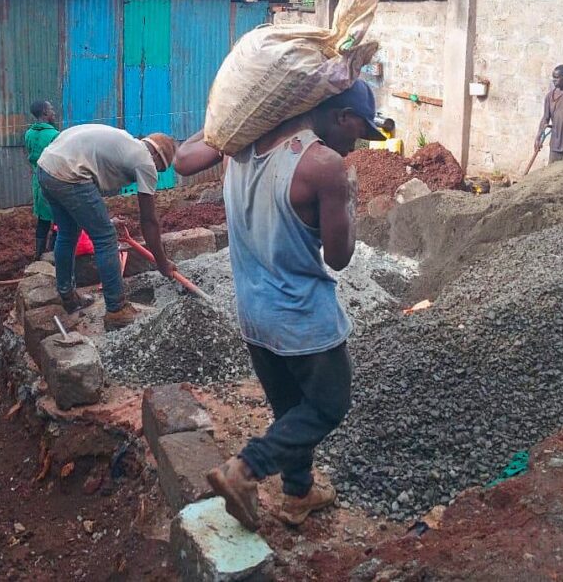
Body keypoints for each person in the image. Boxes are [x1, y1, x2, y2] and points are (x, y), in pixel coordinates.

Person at [174, 79, 384, 530]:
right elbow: (339, 257)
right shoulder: (326, 166)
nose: (355, 145)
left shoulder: (241, 147)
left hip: (253, 316)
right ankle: (245, 469)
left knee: (291, 414)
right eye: (358, 133)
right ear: (341, 115)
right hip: (304, 321)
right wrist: (348, 197)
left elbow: (185, 157)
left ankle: (298, 493)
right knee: (328, 405)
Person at [37, 124, 178, 330]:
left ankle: (67, 295)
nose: (155, 173)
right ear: (156, 156)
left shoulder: (125, 141)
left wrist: (106, 220)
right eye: (160, 169)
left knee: (68, 232)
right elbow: (149, 220)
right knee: (105, 238)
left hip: (47, 169)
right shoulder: (145, 160)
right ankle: (116, 309)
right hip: (69, 174)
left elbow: (89, 192)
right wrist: (162, 262)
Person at [24, 100, 60, 260]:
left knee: (43, 219)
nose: (54, 112)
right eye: (51, 109)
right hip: (53, 181)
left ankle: (38, 255)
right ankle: (54, 253)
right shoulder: (54, 135)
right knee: (60, 218)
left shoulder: (29, 134)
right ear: (45, 113)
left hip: (37, 182)